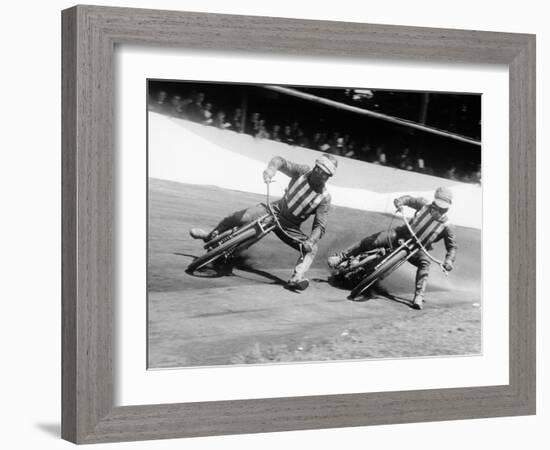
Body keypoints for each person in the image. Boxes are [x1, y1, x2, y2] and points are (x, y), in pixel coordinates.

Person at [189, 154, 338, 291]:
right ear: (315, 167)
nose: (322, 175)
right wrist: (271, 170)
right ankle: (209, 236)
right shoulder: (303, 171)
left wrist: (311, 241)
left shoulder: (325, 198)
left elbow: (320, 225)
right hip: (273, 209)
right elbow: (280, 160)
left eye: (327, 174)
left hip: (289, 227)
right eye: (321, 170)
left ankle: (297, 278)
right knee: (239, 218)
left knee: (312, 249)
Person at [327, 187, 457, 309]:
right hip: (401, 233)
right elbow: (409, 199)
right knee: (373, 241)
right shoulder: (424, 204)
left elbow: (452, 247)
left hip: (419, 248)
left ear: (447, 208)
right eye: (437, 205)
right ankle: (341, 257)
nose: (438, 210)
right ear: (434, 201)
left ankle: (419, 296)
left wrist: (449, 261)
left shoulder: (447, 226)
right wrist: (400, 202)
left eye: (442, 208)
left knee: (425, 264)